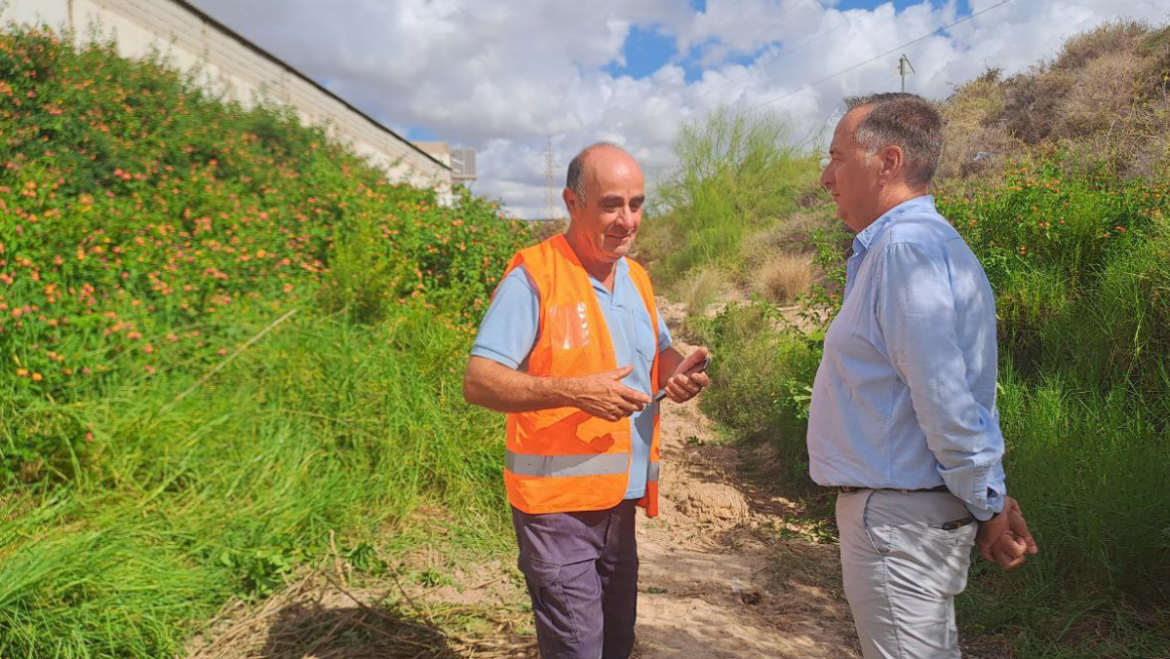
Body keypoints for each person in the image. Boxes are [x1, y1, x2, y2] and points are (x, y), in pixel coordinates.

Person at [806, 93, 1039, 659]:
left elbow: (943, 397)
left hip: (897, 521)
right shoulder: (922, 245)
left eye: (838, 158)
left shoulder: (904, 249)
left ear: (888, 161)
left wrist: (987, 498)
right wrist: (988, 497)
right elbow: (953, 391)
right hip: (911, 514)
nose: (824, 177)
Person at [463, 142, 710, 659]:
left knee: (616, 644)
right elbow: (480, 380)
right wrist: (575, 391)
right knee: (578, 649)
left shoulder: (636, 278)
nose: (627, 220)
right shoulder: (534, 277)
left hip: (620, 505)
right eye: (610, 204)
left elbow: (659, 353)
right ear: (572, 203)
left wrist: (679, 372)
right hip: (556, 513)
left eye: (637, 204)